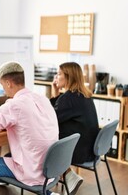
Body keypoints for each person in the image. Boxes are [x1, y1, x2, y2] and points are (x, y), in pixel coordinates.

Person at [0, 61, 59, 195]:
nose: (3, 89)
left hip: (31, 171)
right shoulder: (42, 99)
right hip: (49, 167)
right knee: (9, 155)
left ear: (9, 83)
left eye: (2, 84)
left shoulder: (13, 105)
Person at [51, 62, 99, 195]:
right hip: (90, 148)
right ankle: (68, 175)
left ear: (69, 77)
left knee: (45, 140)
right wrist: (56, 95)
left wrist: (55, 96)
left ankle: (39, 180)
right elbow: (58, 115)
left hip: (79, 151)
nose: (56, 77)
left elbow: (50, 119)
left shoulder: (68, 99)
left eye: (59, 74)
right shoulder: (84, 95)